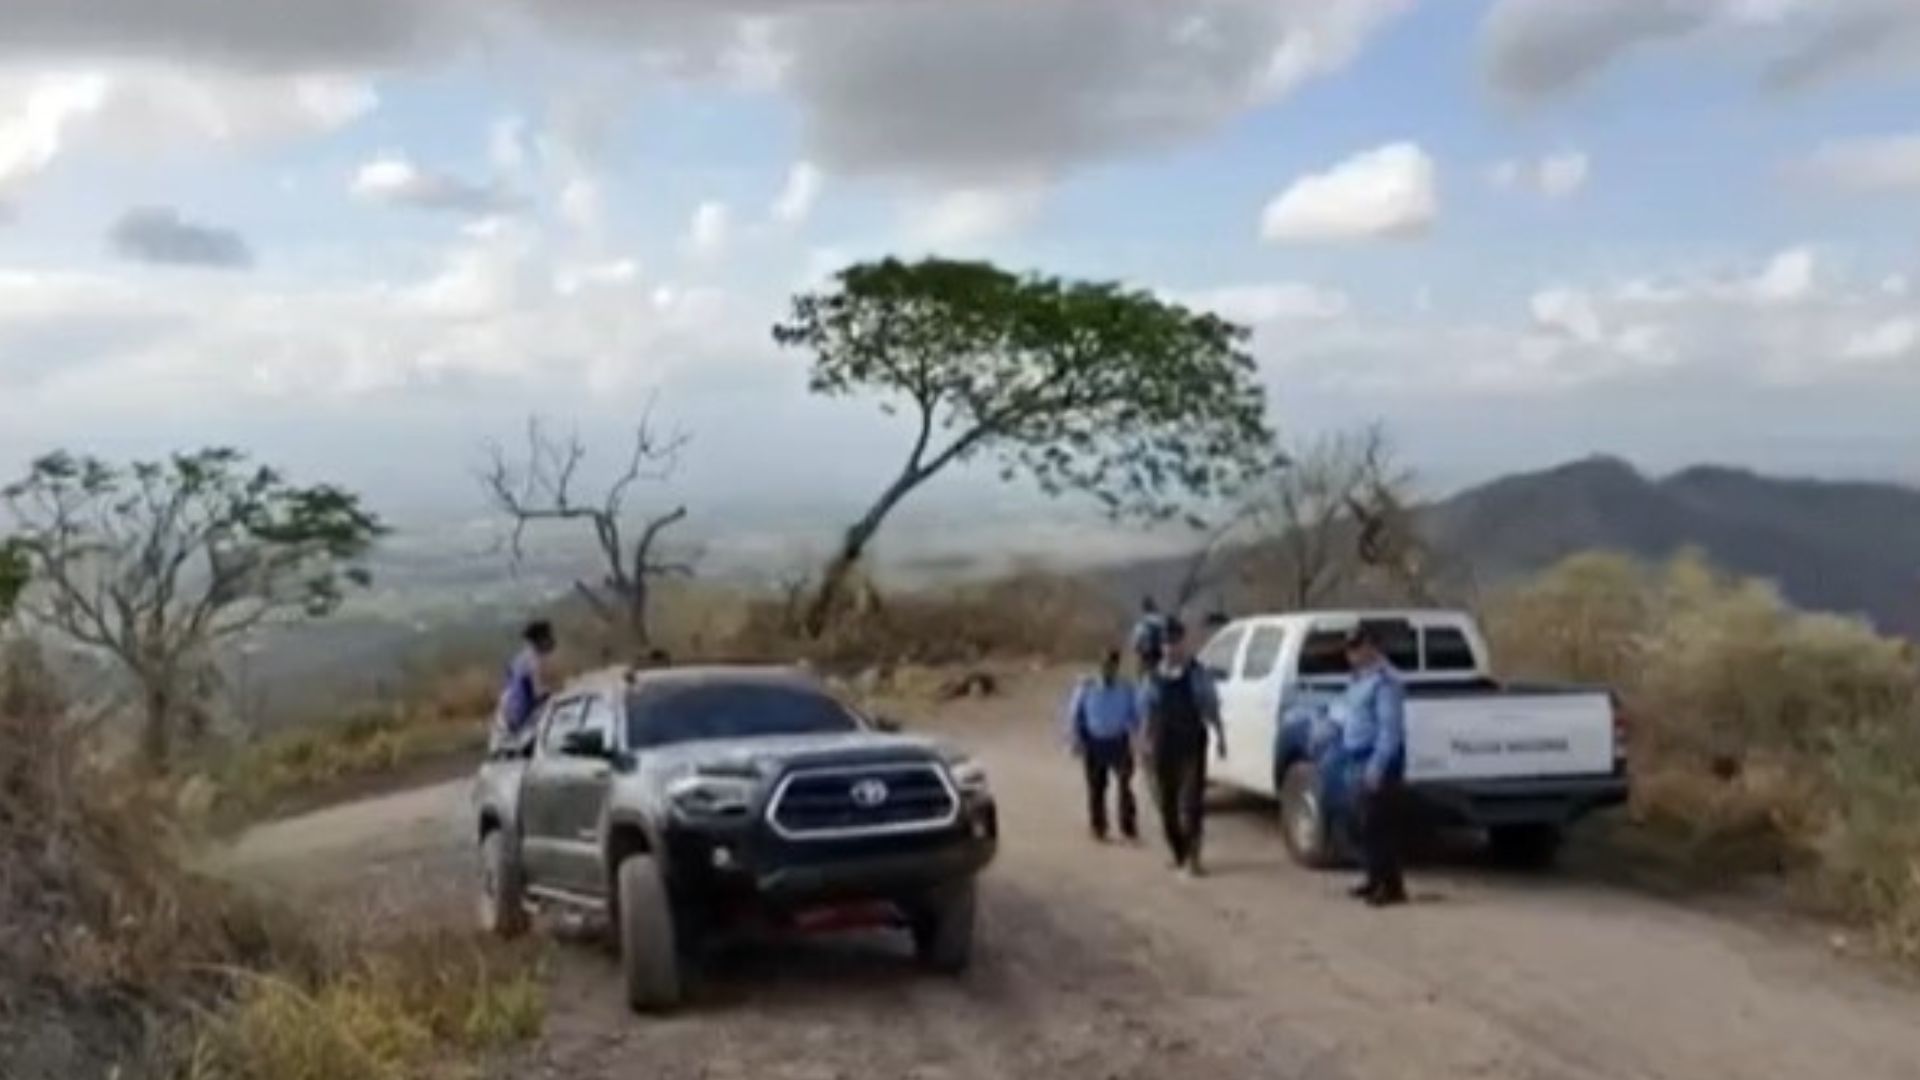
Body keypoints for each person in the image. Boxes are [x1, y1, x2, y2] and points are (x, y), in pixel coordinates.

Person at [1138, 618, 1226, 877]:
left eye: (1175, 643)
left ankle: (1194, 858)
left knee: (1192, 802)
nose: (1170, 649)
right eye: (1166, 644)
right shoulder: (1153, 678)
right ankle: (1179, 851)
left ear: (1183, 644)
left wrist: (1220, 736)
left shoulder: (1197, 673)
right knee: (1167, 805)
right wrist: (1144, 740)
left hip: (1191, 742)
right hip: (1164, 743)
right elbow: (1146, 711)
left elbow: (1210, 706)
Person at [1340, 624, 1409, 906]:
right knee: (1364, 826)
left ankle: (1390, 888)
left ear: (1372, 647)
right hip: (1356, 757)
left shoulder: (1384, 682)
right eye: (1349, 647)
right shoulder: (1358, 679)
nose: (1352, 653)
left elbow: (1389, 729)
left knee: (1378, 826)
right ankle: (1374, 879)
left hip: (1377, 759)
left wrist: (1377, 767)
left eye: (1357, 647)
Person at [1063, 649, 1142, 842]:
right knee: (1097, 787)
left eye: (1111, 666)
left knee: (1125, 784)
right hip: (1094, 741)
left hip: (1118, 740)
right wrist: (1075, 740)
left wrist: (1139, 737)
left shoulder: (1125, 688)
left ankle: (1128, 826)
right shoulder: (1087, 687)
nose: (1108, 670)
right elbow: (1075, 715)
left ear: (1116, 667)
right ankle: (1098, 826)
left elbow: (1135, 714)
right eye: (1104, 665)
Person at [492, 620, 557, 753]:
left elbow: (507, 688)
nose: (552, 641)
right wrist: (557, 694)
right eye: (548, 637)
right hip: (524, 721)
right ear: (540, 640)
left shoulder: (518, 660)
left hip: (507, 721)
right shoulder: (534, 662)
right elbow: (539, 693)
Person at [1129, 596, 1167, 677]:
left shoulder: (1141, 624)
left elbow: (1135, 644)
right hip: (1162, 657)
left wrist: (1138, 650)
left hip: (1147, 658)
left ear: (1144, 609)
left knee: (1144, 680)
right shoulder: (1163, 622)